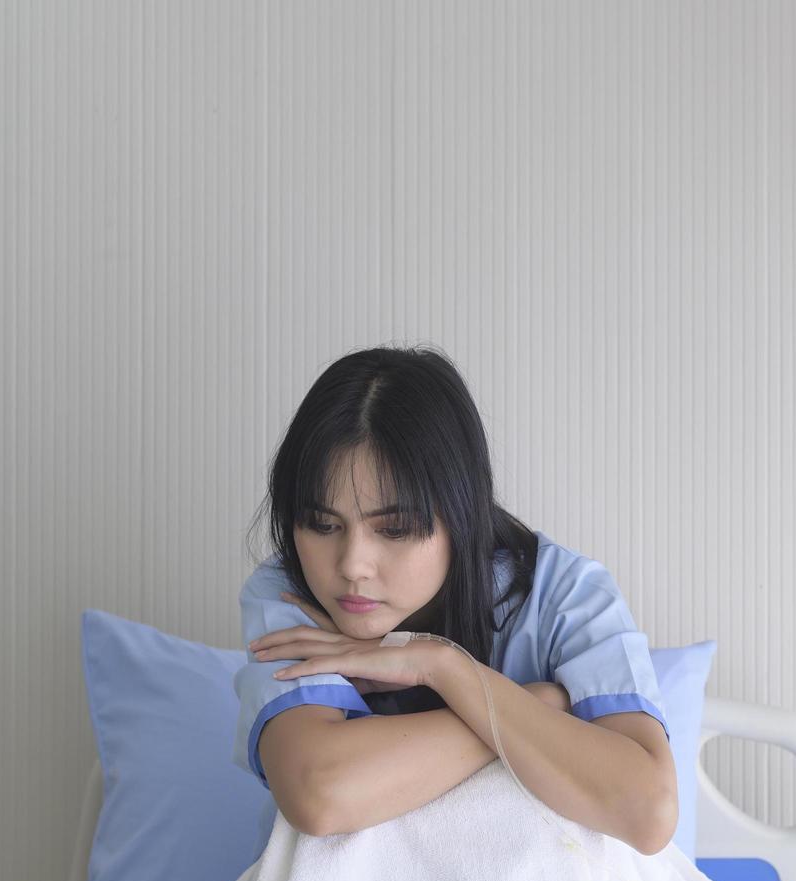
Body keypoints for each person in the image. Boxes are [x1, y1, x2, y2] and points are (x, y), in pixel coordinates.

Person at [230, 344, 677, 854]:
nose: (351, 564)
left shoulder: (564, 593)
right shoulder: (288, 591)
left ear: (461, 517)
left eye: (394, 529)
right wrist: (534, 704)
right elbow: (320, 795)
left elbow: (648, 812)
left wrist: (445, 668)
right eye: (323, 525)